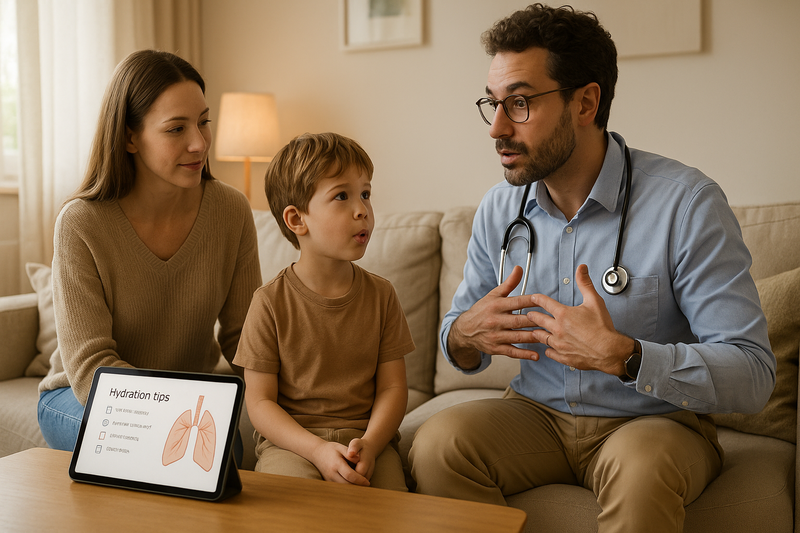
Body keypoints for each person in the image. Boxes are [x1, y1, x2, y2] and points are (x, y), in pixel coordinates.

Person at [409, 4, 775, 532]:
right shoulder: (499, 209)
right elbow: (457, 335)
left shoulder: (687, 205)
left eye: (519, 103)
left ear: (585, 102)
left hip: (649, 420)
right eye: (492, 104)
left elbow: (754, 374)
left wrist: (627, 356)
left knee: (644, 469)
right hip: (534, 415)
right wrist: (466, 333)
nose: (496, 128)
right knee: (437, 446)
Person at [37, 50, 262, 457]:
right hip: (83, 398)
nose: (199, 143)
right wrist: (177, 416)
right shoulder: (81, 223)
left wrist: (298, 401)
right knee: (185, 455)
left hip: (186, 400)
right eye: (176, 129)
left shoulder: (231, 210)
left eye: (203, 122)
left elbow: (244, 337)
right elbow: (91, 367)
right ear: (129, 137)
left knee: (223, 452)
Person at [233, 132, 414, 491]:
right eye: (341, 196)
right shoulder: (268, 303)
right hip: (293, 445)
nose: (362, 209)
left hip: (365, 441)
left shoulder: (382, 295)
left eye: (365, 193)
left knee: (391, 514)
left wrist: (373, 445)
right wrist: (316, 450)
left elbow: (394, 387)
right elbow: (260, 402)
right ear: (297, 219)